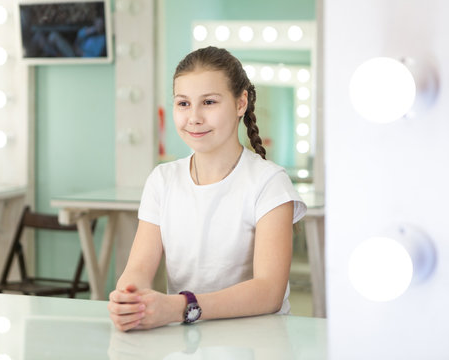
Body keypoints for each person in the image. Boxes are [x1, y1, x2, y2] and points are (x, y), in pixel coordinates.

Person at [108, 46, 306, 331]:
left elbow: (269, 292)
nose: (194, 117)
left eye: (209, 102)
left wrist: (180, 306)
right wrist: (130, 299)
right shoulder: (162, 180)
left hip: (259, 342)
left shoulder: (269, 182)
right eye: (183, 103)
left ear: (241, 103)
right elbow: (138, 267)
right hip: (188, 340)